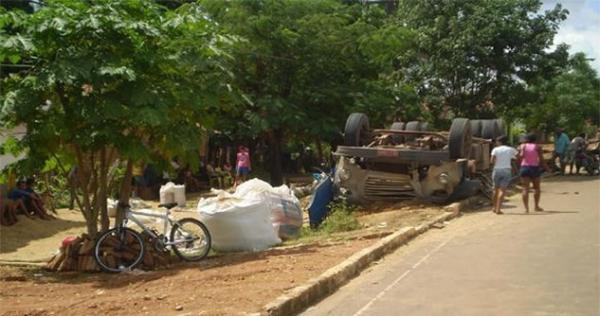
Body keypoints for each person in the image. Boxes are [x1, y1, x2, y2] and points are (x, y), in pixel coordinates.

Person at [517, 133, 549, 213]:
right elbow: (541, 160)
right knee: (537, 188)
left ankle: (526, 208)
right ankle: (536, 206)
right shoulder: (537, 147)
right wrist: (547, 168)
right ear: (535, 139)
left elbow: (519, 157)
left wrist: (519, 166)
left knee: (525, 189)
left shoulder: (522, 146)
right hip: (534, 168)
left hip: (524, 168)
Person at [490, 135, 517, 214]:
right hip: (506, 170)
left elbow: (491, 160)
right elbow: (517, 157)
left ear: (500, 142)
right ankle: (498, 209)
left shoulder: (495, 149)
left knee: (495, 189)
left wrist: (496, 165)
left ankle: (494, 207)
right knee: (502, 190)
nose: (496, 143)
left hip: (497, 170)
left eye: (497, 141)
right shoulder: (511, 149)